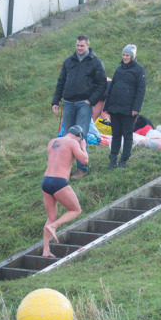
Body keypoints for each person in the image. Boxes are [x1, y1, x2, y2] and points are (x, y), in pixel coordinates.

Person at [51, 35, 107, 180]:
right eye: (77, 45)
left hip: (84, 104)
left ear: (88, 46)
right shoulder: (68, 61)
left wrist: (91, 100)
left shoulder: (95, 63)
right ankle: (65, 167)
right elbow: (61, 81)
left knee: (81, 136)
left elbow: (102, 84)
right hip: (68, 103)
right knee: (67, 137)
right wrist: (56, 101)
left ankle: (82, 168)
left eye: (82, 46)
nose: (79, 48)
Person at [41, 125, 89, 258]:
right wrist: (83, 147)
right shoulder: (73, 142)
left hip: (46, 181)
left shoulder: (52, 142)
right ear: (79, 137)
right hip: (59, 181)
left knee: (50, 217)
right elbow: (84, 160)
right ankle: (55, 226)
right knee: (76, 210)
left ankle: (46, 250)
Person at [103, 45, 146, 170]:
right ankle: (113, 159)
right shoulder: (118, 69)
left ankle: (124, 160)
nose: (125, 57)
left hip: (129, 110)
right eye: (123, 55)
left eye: (127, 55)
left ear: (132, 57)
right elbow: (111, 89)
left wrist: (136, 108)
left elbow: (141, 91)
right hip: (115, 108)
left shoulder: (139, 70)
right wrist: (107, 107)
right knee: (115, 134)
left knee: (127, 135)